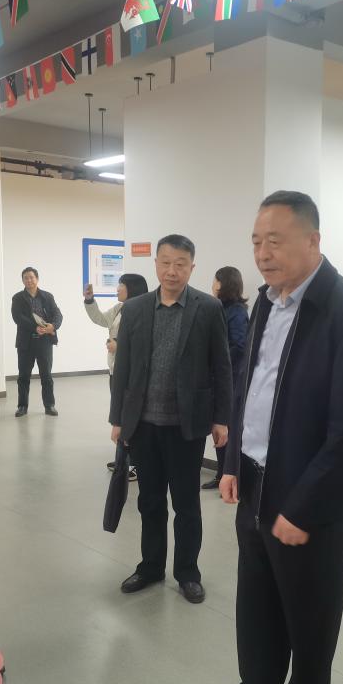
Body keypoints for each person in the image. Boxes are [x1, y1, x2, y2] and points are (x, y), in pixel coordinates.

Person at [191, 192, 343, 684]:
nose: (262, 253)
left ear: (313, 241)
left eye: (275, 241)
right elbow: (250, 387)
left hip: (308, 498)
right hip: (255, 480)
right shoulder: (267, 303)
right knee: (256, 607)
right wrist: (232, 462)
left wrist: (305, 506)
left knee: (310, 620)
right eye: (256, 241)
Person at [109, 235, 231, 605]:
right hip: (144, 425)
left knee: (186, 504)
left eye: (180, 264)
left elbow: (221, 367)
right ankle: (150, 567)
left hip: (186, 426)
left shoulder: (208, 308)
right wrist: (118, 418)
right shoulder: (135, 309)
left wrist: (222, 418)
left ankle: (188, 573)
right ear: (156, 265)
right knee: (149, 501)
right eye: (165, 262)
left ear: (192, 267)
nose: (172, 271)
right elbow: (123, 367)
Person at [86, 273, 149, 475]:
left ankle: (136, 464)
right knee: (121, 417)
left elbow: (143, 344)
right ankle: (123, 459)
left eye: (121, 284)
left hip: (131, 373)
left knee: (131, 418)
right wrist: (90, 300)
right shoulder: (119, 308)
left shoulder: (143, 312)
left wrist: (119, 346)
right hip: (116, 370)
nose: (118, 288)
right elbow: (100, 319)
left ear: (132, 288)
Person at [202, 266, 249, 492]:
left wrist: (217, 362)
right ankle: (221, 473)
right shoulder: (220, 308)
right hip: (219, 379)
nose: (213, 285)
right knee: (219, 428)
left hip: (230, 381)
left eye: (215, 280)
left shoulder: (237, 312)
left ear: (224, 283)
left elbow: (239, 346)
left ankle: (231, 476)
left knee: (227, 429)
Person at [11, 267, 63, 417]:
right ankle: (22, 406)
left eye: (31, 277)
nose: (29, 280)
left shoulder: (47, 296)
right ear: (22, 280)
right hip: (25, 342)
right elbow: (18, 317)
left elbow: (58, 314)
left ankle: (49, 405)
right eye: (26, 278)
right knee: (23, 376)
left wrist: (53, 326)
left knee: (46, 375)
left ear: (37, 279)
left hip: (44, 341)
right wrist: (35, 327)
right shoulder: (17, 298)